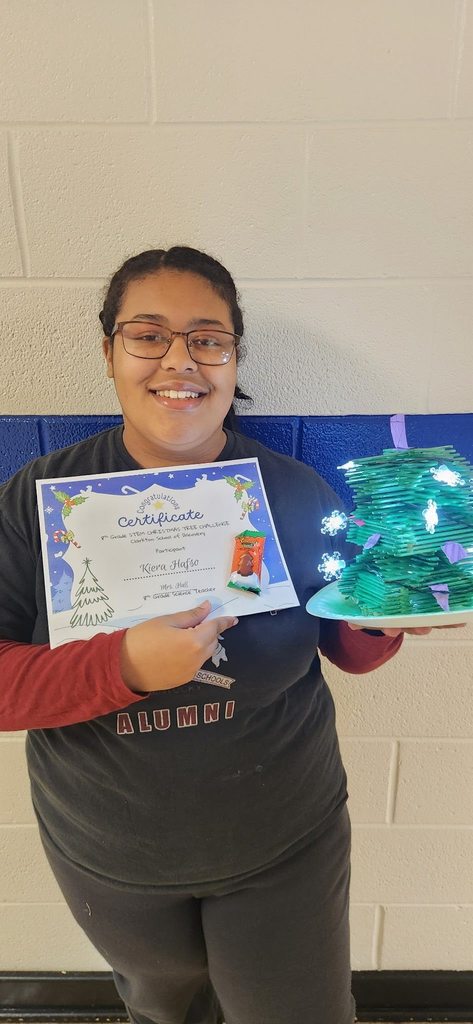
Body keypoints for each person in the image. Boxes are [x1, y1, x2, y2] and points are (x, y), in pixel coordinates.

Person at [0, 247, 438, 1024]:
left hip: (284, 845)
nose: (180, 360)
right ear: (108, 352)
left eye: (208, 339)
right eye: (148, 336)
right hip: (110, 857)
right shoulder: (37, 499)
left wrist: (381, 615)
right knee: (165, 1013)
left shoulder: (291, 491)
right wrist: (123, 664)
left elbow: (346, 646)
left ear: (233, 359)